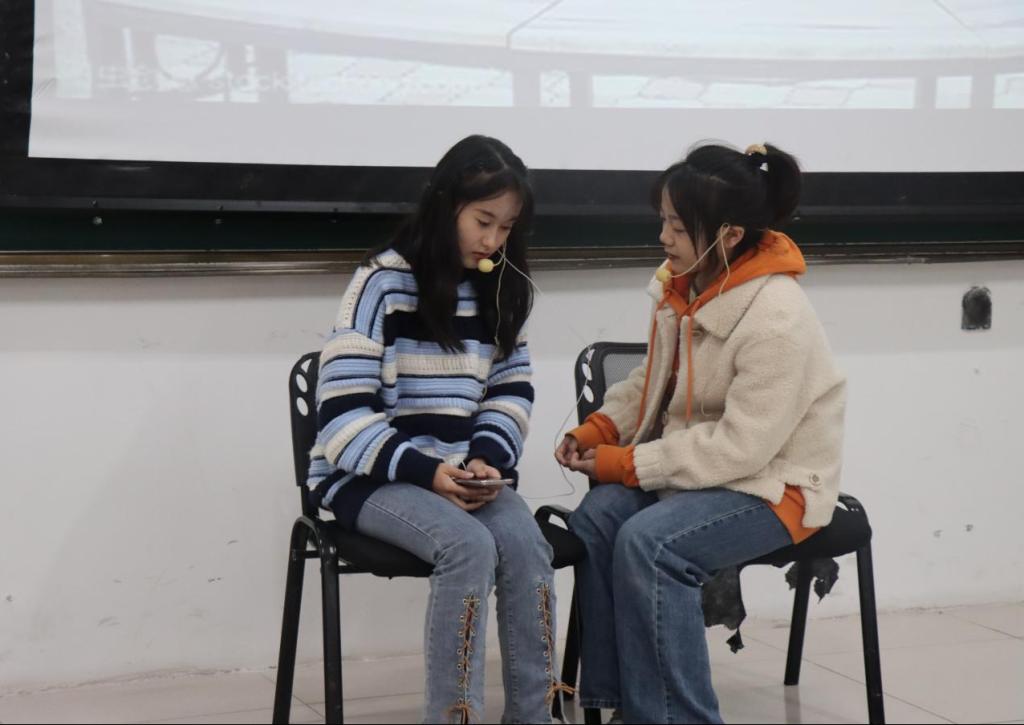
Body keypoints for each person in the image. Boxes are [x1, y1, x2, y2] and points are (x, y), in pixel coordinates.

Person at [555, 142, 847, 723]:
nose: (663, 236)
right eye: (663, 219)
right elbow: (653, 379)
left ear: (729, 235)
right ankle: (622, 706)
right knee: (598, 519)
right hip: (704, 473)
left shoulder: (777, 316)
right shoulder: (683, 285)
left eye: (678, 226)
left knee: (652, 543)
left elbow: (743, 448)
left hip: (776, 486)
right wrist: (601, 427)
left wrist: (627, 464)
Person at [308, 135, 562, 724]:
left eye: (506, 227)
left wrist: (488, 457)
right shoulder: (380, 284)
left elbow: (510, 390)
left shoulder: (502, 286)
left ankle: (535, 716)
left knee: (528, 546)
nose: (492, 240)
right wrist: (428, 471)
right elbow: (342, 419)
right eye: (482, 221)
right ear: (445, 205)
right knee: (467, 546)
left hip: (462, 474)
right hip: (369, 478)